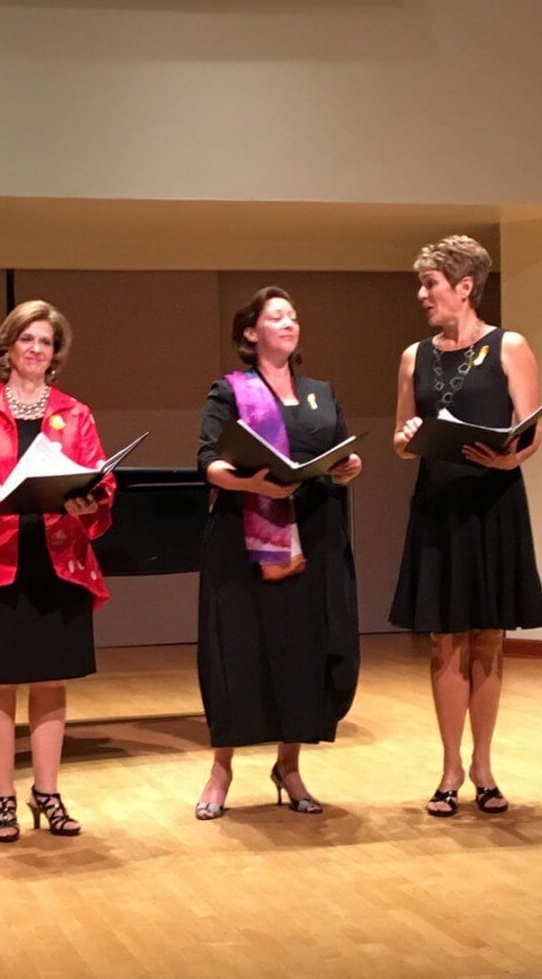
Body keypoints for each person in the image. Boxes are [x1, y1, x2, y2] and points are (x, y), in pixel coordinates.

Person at [0, 300, 115, 842]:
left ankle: (47, 792)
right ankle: (2, 798)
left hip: (58, 562)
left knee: (50, 681)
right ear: (8, 346)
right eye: (28, 339)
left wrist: (90, 500)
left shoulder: (76, 414)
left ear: (56, 353)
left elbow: (101, 484)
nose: (37, 349)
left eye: (46, 342)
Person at [390, 236, 542, 817]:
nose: (422, 295)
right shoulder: (414, 356)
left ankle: (483, 767)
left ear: (464, 287)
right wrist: (408, 439)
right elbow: (401, 440)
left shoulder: (510, 345)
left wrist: (510, 459)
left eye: (430, 283)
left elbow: (530, 430)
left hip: (492, 500)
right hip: (439, 503)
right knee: (444, 638)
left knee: (488, 636)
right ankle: (450, 768)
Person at [195, 286, 362, 820]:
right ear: (251, 332)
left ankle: (288, 766)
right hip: (246, 539)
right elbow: (209, 462)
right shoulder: (230, 391)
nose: (289, 323)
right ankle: (221, 769)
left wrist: (349, 469)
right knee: (239, 651)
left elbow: (339, 454)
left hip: (313, 534)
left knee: (302, 652)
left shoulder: (320, 392)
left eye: (293, 315)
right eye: (276, 317)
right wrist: (254, 486)